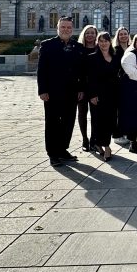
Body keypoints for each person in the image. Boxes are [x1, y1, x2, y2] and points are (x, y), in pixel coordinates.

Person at [37, 17, 84, 165]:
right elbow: (41, 70)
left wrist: (81, 88)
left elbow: (81, 71)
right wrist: (42, 90)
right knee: (52, 123)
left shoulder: (78, 46)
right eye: (63, 27)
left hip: (71, 91)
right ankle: (53, 154)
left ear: (72, 29)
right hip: (52, 92)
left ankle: (63, 149)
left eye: (69, 27)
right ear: (57, 28)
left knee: (68, 121)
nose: (66, 30)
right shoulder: (47, 45)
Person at [85, 31, 119, 161]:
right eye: (101, 41)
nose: (103, 43)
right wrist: (92, 95)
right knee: (99, 121)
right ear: (97, 43)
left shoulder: (115, 57)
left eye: (106, 41)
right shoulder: (92, 58)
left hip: (112, 94)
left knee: (110, 121)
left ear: (110, 42)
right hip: (98, 95)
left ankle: (99, 144)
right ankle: (107, 147)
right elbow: (90, 79)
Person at [76, 24, 98, 152]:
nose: (90, 35)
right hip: (82, 87)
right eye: (87, 33)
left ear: (96, 35)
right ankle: (85, 139)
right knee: (82, 113)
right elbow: (76, 71)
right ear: (84, 34)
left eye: (92, 33)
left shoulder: (99, 48)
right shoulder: (79, 49)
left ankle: (94, 139)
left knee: (96, 114)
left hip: (96, 87)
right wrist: (79, 88)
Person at [111, 26, 131, 145]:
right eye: (121, 34)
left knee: (126, 110)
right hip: (118, 84)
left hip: (129, 83)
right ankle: (117, 134)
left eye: (125, 34)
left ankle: (125, 132)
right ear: (118, 36)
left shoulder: (131, 48)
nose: (123, 36)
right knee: (117, 110)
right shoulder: (115, 50)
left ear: (128, 36)